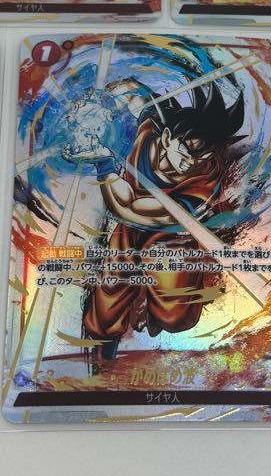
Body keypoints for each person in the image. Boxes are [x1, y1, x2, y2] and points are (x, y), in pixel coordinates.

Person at [66, 79, 246, 359]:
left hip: (172, 235)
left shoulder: (203, 181)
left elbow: (127, 207)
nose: (192, 161)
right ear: (167, 137)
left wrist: (103, 164)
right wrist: (95, 101)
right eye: (187, 150)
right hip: (129, 231)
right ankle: (105, 350)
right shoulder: (152, 125)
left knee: (174, 317)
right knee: (109, 297)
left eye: (202, 155)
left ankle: (155, 307)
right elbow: (134, 92)